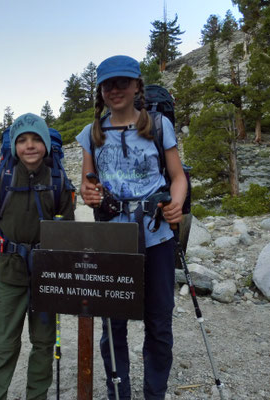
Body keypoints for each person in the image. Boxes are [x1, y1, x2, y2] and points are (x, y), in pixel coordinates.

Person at [76, 55, 187, 400]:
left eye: (123, 82)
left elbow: (178, 177)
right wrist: (89, 193)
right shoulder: (91, 134)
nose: (115, 90)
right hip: (112, 238)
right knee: (113, 325)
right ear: (100, 91)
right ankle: (118, 394)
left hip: (156, 234)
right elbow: (86, 184)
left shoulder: (157, 126)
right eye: (108, 84)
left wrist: (177, 204)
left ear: (138, 85)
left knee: (158, 321)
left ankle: (154, 394)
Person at [0, 113, 75, 400]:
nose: (29, 146)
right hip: (10, 272)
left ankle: (37, 396)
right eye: (22, 140)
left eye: (36, 139)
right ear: (14, 146)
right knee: (3, 344)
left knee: (43, 343)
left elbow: (68, 230)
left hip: (47, 276)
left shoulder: (58, 180)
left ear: (45, 143)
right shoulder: (4, 178)